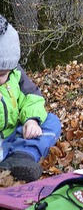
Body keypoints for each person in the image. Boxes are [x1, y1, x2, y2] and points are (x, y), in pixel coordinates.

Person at [0, 16, 61, 183]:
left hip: (15, 132)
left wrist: (31, 120)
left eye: (3, 74)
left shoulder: (15, 73)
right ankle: (10, 159)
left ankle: (22, 156)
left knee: (52, 122)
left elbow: (32, 96)